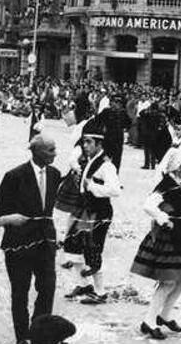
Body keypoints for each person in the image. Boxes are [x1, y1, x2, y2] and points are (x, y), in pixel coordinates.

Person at [131, 139, 181, 340]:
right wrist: (164, 219)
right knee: (169, 281)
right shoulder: (166, 185)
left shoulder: (180, 185)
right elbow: (148, 205)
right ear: (177, 166)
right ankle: (149, 320)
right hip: (170, 236)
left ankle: (164, 315)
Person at [0, 135, 60, 343]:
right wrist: (21, 234)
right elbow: (3, 211)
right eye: (50, 150)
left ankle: (40, 335)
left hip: (46, 241)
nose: (55, 153)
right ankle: (22, 338)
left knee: (48, 287)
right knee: (20, 292)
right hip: (19, 244)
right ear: (36, 151)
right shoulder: (14, 176)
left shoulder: (55, 174)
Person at [62, 118, 120, 305]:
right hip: (85, 209)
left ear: (99, 144)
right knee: (73, 245)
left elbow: (115, 190)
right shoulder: (89, 160)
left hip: (99, 212)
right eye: (84, 141)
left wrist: (92, 185)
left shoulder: (106, 165)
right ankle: (83, 283)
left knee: (93, 252)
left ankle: (101, 292)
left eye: (89, 142)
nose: (85, 146)